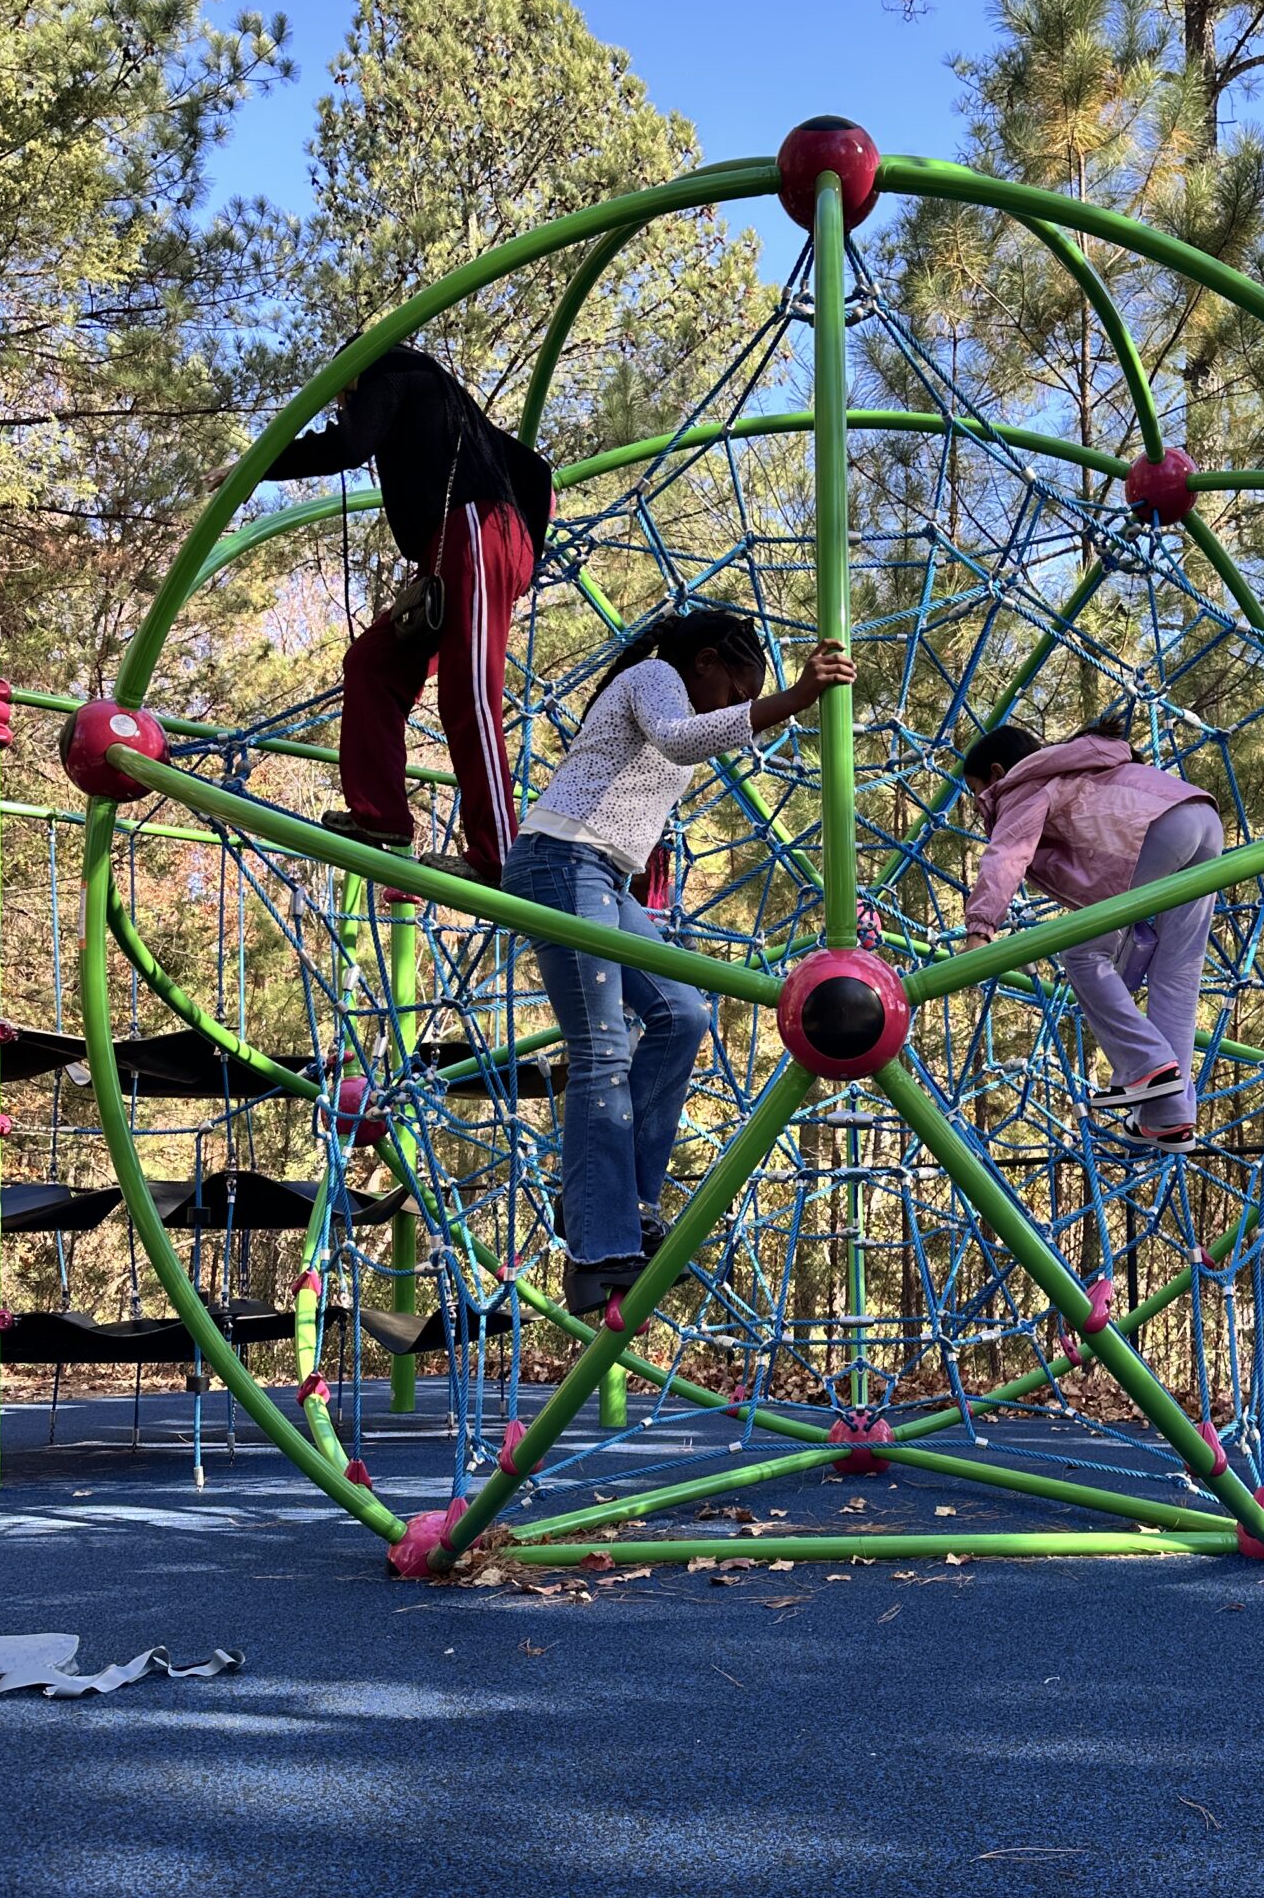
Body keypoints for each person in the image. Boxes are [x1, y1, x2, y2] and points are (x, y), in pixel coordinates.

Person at [507, 608, 854, 1315]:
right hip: (561, 858)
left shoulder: (671, 690)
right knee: (602, 1047)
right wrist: (793, 698)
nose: (734, 706)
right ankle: (598, 1248)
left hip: (602, 875)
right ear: (705, 663)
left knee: (683, 1012)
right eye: (735, 692)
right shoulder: (656, 677)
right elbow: (677, 737)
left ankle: (614, 1203)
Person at [249, 343, 555, 886]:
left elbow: (348, 444)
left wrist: (255, 466)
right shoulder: (452, 415)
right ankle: (380, 816)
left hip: (476, 532)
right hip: (453, 547)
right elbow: (535, 470)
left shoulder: (391, 371)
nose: (342, 407)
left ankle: (498, 854)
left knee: (468, 691)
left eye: (341, 397)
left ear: (350, 375)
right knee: (373, 663)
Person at [959, 719, 1224, 1145]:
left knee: (1081, 953)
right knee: (1177, 969)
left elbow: (1008, 853)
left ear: (996, 772)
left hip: (1151, 832)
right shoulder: (1079, 765)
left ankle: (1146, 1065)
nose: (977, 805)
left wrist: (980, 929)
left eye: (975, 791)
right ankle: (1169, 1114)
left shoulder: (1023, 782)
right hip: (1201, 818)